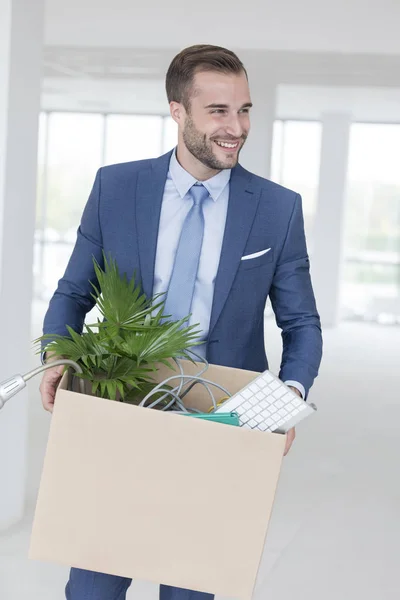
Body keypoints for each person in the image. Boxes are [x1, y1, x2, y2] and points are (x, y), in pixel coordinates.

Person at [39, 44, 322, 600]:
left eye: (244, 110)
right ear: (178, 111)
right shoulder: (117, 189)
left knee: (190, 592)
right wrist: (54, 356)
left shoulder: (277, 208)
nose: (235, 127)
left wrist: (286, 396)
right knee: (91, 589)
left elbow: (302, 322)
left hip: (222, 423)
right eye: (218, 111)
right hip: (124, 409)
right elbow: (74, 292)